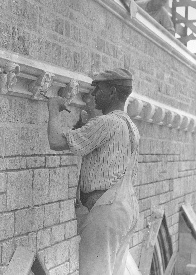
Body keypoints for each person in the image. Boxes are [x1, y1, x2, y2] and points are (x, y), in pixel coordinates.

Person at [47, 68, 140, 275]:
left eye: (98, 88)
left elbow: (55, 141)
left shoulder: (106, 122)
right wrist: (84, 121)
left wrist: (53, 108)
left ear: (113, 91)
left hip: (105, 213)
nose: (93, 94)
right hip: (125, 209)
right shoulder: (128, 125)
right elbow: (91, 146)